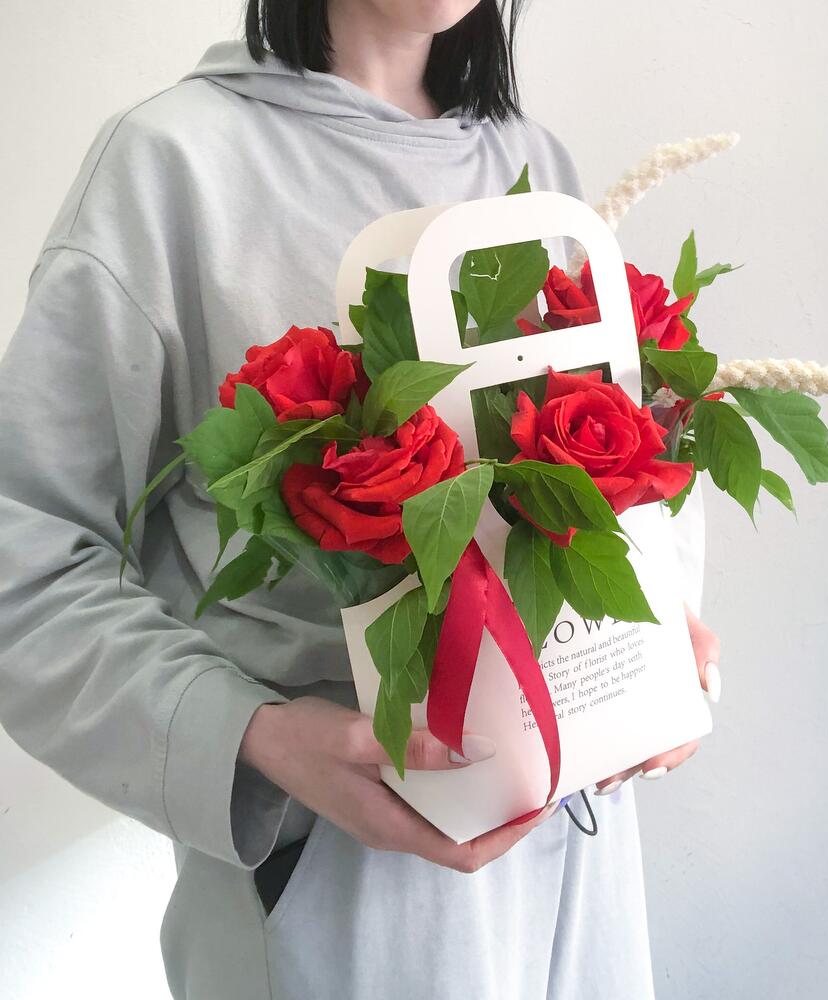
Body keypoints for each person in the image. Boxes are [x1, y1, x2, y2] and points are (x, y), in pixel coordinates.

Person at [0, 2, 721, 997]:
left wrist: (661, 637)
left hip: (581, 860)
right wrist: (250, 736)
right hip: (336, 882)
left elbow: (624, 466)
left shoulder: (531, 161)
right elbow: (25, 557)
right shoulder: (171, 167)